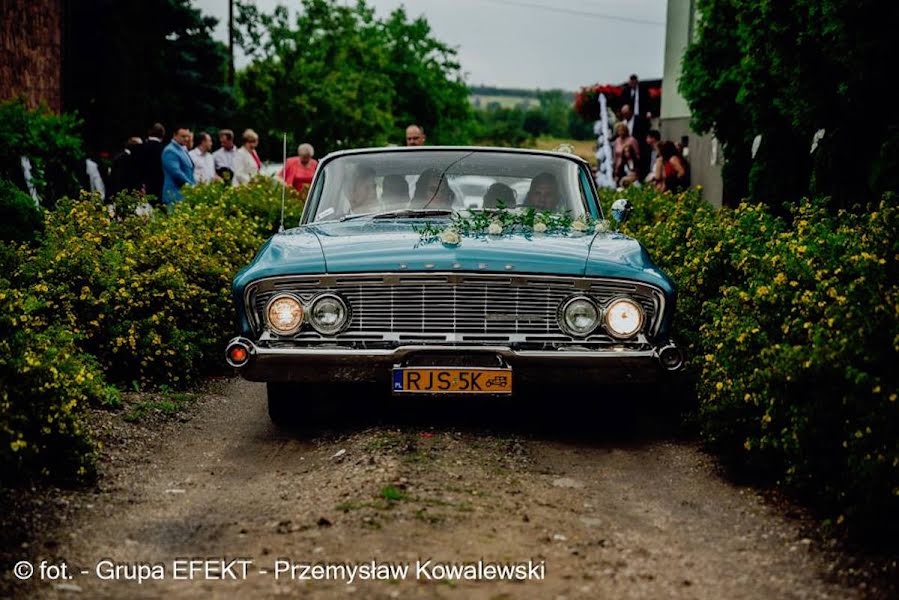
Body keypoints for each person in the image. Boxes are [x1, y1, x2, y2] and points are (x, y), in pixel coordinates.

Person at [161, 126, 195, 205]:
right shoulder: (170, 150)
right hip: (174, 195)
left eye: (187, 136)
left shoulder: (181, 149)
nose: (186, 139)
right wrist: (192, 186)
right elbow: (176, 173)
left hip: (184, 195)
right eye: (183, 136)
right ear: (175, 135)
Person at [136, 122, 165, 202]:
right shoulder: (164, 150)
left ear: (149, 132)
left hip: (141, 186)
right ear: (163, 134)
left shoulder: (139, 147)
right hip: (158, 187)